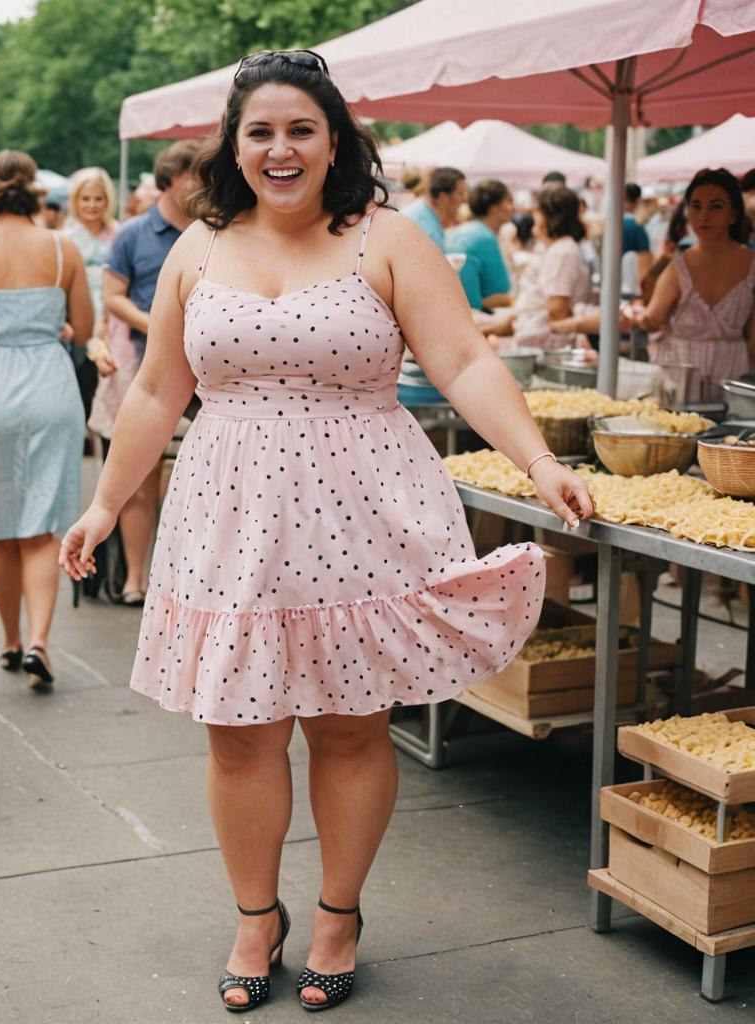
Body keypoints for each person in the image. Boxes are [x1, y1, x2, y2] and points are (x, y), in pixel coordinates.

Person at [59, 49, 592, 1014]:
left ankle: (339, 915)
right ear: (235, 146)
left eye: (301, 128)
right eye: (260, 131)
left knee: (350, 731)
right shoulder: (196, 247)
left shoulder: (385, 238)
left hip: (364, 512)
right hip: (230, 517)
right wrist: (104, 504)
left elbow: (464, 359)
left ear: (335, 139)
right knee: (240, 736)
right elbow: (153, 389)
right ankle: (255, 916)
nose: (280, 148)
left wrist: (538, 460)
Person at [0, 151, 93, 689]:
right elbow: (82, 324)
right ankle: (38, 642)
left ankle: (9, 640)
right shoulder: (63, 249)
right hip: (51, 385)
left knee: (1, 533)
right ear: (34, 192)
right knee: (43, 530)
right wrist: (53, 336)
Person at [102, 140, 200, 605]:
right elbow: (112, 296)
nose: (205, 184)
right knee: (140, 475)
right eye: (196, 175)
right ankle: (134, 578)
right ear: (172, 178)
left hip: (207, 373)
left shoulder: (214, 229)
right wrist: (160, 324)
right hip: (149, 365)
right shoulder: (133, 234)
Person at [626, 167, 755, 403]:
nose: (703, 215)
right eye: (696, 206)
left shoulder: (750, 266)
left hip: (728, 377)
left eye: (715, 206)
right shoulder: (678, 266)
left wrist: (637, 317)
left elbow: (652, 320)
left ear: (734, 214)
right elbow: (652, 320)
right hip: (684, 376)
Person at [63, 167, 119, 417]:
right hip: (78, 312)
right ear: (75, 201)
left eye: (99, 198)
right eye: (86, 198)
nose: (92, 205)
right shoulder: (65, 238)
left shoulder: (118, 234)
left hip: (113, 312)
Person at [510, 185, 595, 351]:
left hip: (548, 343)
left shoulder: (562, 252)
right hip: (543, 339)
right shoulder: (559, 248)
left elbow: (557, 308)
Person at [446, 178, 513, 310]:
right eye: (509, 201)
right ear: (495, 207)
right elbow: (500, 291)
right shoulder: (485, 238)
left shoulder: (462, 231)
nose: (512, 208)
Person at [401, 166, 465, 251]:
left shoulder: (420, 209)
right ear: (443, 198)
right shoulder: (431, 234)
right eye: (460, 193)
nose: (464, 199)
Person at [620, 182, 653, 299]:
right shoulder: (637, 228)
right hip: (631, 292)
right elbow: (644, 265)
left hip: (612, 287)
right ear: (638, 201)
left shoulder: (609, 225)